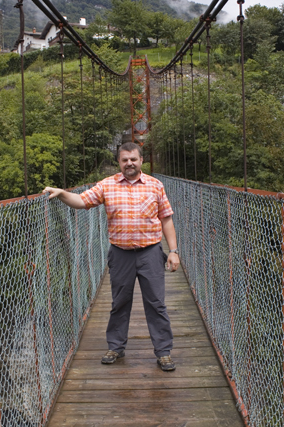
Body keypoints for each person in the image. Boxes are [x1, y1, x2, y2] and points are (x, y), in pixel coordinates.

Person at [43, 142, 180, 371]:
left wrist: (173, 252)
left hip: (150, 253)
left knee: (156, 303)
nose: (129, 163)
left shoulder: (155, 186)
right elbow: (82, 201)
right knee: (120, 302)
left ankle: (163, 352)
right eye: (125, 160)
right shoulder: (107, 185)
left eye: (133, 159)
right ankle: (116, 347)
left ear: (141, 161)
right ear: (119, 162)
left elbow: (166, 219)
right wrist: (62, 194)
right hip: (120, 254)